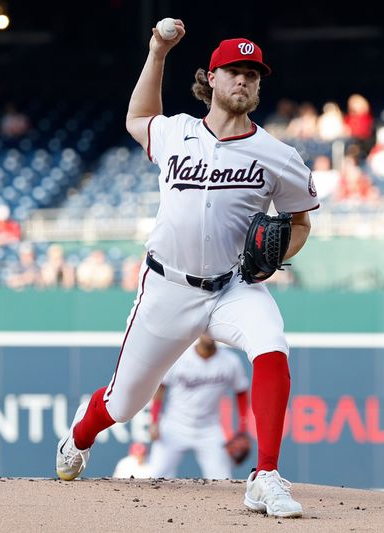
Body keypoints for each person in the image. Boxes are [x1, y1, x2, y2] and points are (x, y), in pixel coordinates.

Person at [55, 22, 317, 520]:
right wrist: (157, 52)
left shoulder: (279, 156)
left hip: (231, 287)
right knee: (123, 402)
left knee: (272, 344)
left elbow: (300, 223)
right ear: (211, 79)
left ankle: (265, 476)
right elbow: (138, 116)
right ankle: (79, 437)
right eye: (234, 71)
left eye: (252, 74)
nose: (243, 80)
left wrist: (279, 256)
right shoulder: (176, 131)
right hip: (167, 287)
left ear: (259, 88)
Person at [146, 335, 249, 480]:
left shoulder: (230, 361)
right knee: (156, 477)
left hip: (209, 429)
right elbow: (160, 388)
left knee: (223, 480)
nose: (209, 335)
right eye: (206, 331)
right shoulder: (179, 357)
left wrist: (242, 429)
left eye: (212, 331)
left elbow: (241, 392)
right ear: (199, 332)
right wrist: (154, 421)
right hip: (175, 425)